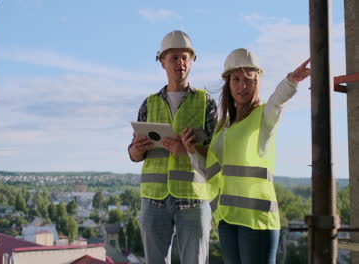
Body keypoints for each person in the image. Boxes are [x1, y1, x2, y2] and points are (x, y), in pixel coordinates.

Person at [181, 48, 311, 264]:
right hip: (227, 219)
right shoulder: (223, 126)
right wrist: (191, 150)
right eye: (236, 79)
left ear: (257, 82)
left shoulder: (263, 118)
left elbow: (276, 103)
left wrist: (291, 81)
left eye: (249, 79)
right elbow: (209, 171)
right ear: (228, 84)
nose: (242, 85)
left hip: (256, 222)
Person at [128, 30, 218, 264]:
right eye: (174, 57)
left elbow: (217, 156)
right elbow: (133, 154)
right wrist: (136, 150)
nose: (180, 62)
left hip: (193, 199)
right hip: (153, 199)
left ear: (192, 61)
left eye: (185, 57)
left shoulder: (206, 102)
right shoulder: (149, 103)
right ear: (162, 62)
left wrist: (188, 151)